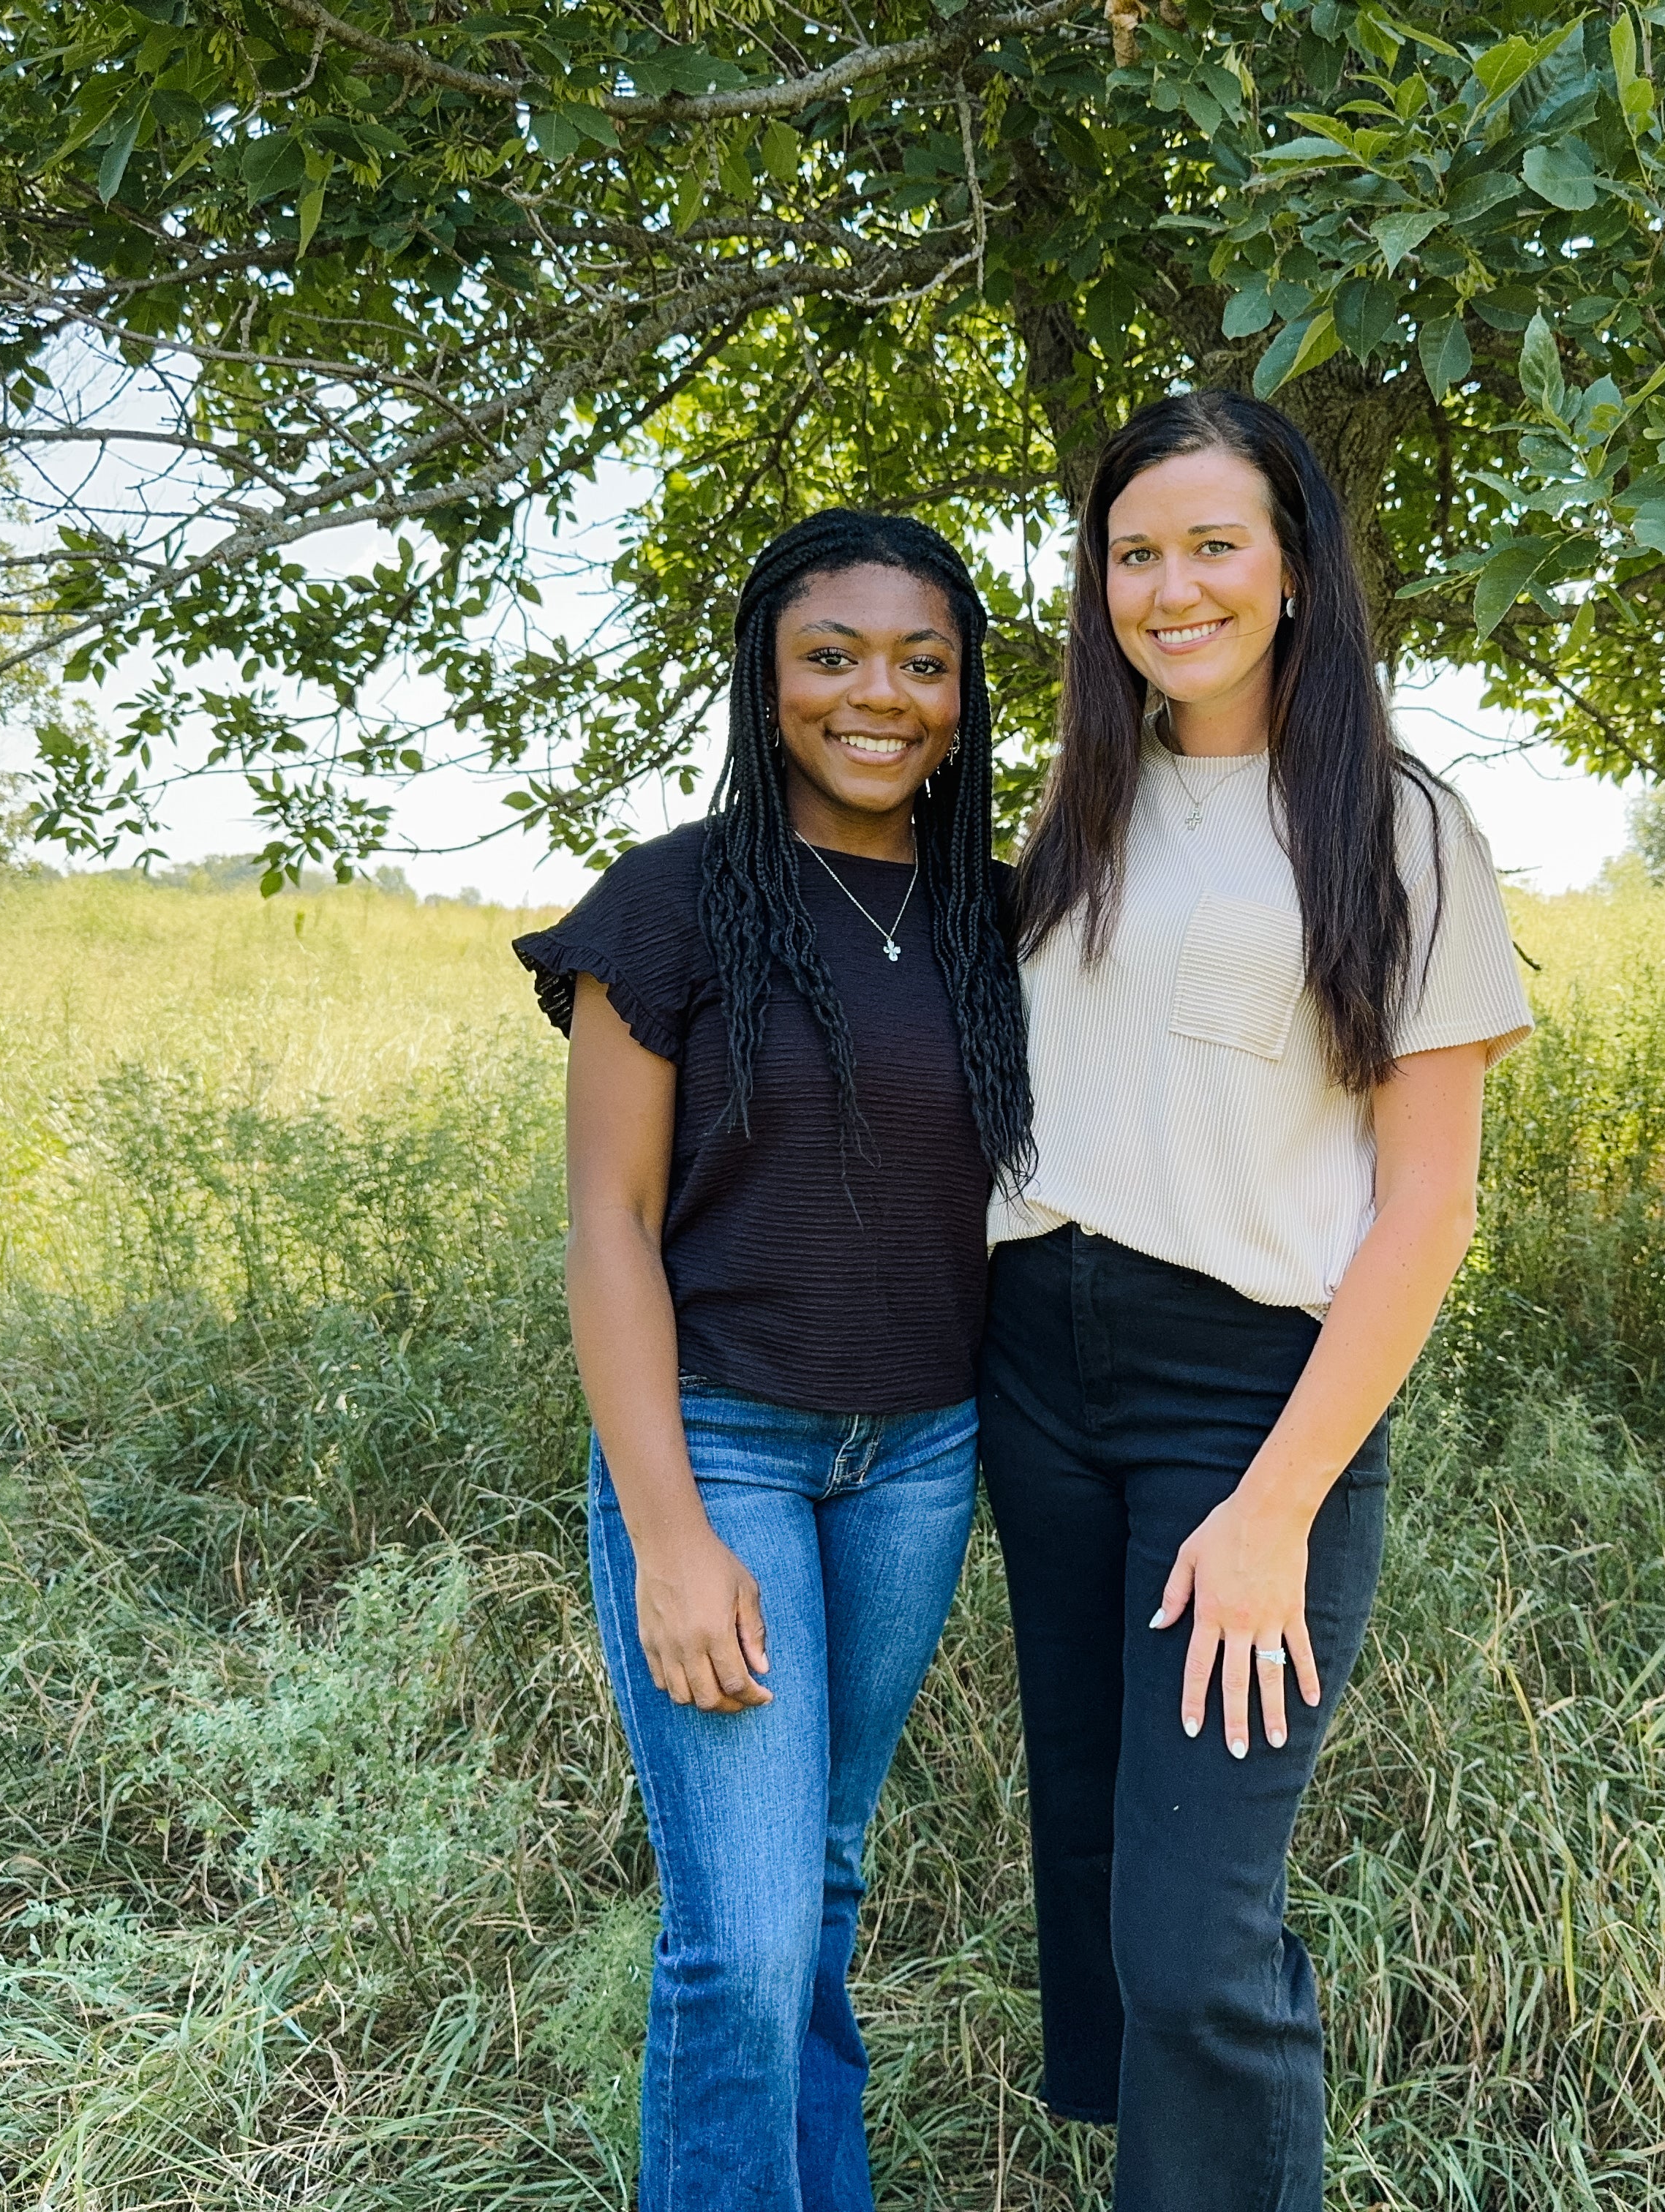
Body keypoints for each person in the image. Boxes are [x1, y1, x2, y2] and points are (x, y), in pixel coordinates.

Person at [980, 391, 1534, 2212]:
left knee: (1202, 1940)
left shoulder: (1398, 824)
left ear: (1296, 568)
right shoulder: (1083, 799)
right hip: (1038, 1370)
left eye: (1214, 543)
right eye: (1134, 552)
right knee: (1102, 1884)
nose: (1171, 585)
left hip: (1241, 1403)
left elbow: (1429, 1206)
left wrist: (1276, 1502)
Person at [512, 510, 1028, 2212]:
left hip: (922, 1460)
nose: (877, 696)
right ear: (766, 677)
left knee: (812, 1886)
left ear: (962, 695)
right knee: (736, 1941)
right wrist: (667, 1531)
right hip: (723, 1447)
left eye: (922, 662)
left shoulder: (1002, 923)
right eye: (831, 656)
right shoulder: (670, 907)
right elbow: (609, 1228)